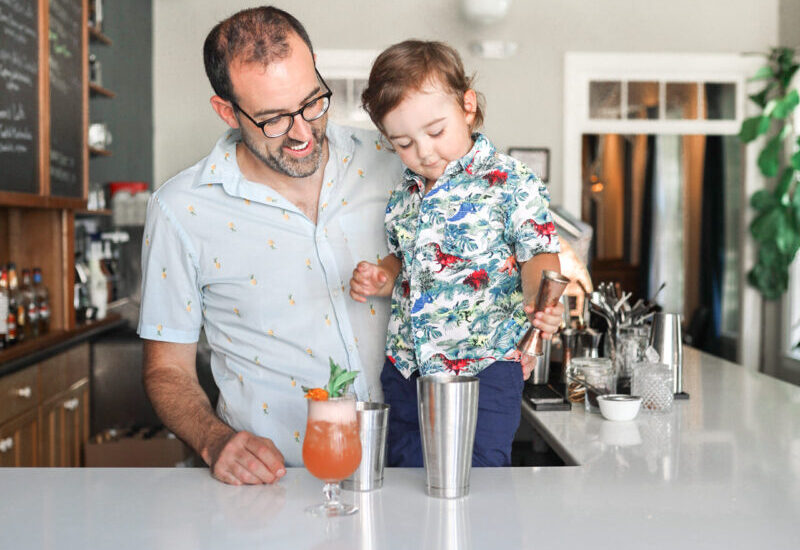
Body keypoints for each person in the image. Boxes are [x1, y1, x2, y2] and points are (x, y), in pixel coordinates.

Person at [138, 6, 402, 485]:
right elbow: (167, 369)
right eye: (274, 119)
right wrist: (212, 438)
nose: (302, 132)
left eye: (312, 102)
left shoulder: (393, 162)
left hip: (411, 473)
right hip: (274, 490)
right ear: (226, 111)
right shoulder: (179, 210)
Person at [350, 40, 563, 467]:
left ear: (467, 106)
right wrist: (382, 275)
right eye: (404, 143)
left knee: (479, 478)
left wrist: (538, 296)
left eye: (435, 132)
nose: (424, 152)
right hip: (407, 367)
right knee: (407, 480)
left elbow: (539, 254)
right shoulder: (405, 191)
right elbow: (401, 258)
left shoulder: (510, 179)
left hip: (484, 366)